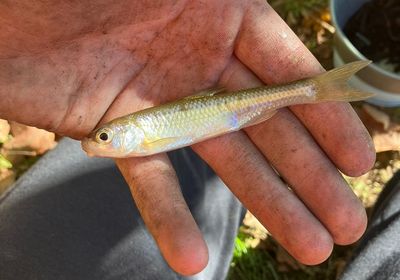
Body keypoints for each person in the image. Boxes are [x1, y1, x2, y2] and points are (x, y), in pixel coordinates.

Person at [0, 1, 379, 279]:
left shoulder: (144, 135)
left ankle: (315, 89)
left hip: (232, 111)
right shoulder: (139, 136)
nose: (96, 143)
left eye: (104, 137)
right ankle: (317, 89)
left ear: (128, 132)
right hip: (227, 115)